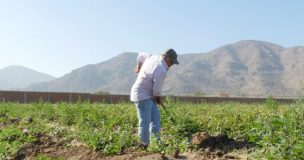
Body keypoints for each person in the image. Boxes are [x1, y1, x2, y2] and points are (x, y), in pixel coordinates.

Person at [130, 48, 179, 148]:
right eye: (171, 62)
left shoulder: (152, 57)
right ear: (166, 58)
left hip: (149, 96)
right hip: (142, 95)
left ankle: (156, 143)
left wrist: (138, 67)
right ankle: (144, 146)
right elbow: (156, 91)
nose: (171, 65)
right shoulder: (161, 69)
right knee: (145, 121)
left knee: (155, 120)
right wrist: (159, 99)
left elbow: (140, 55)